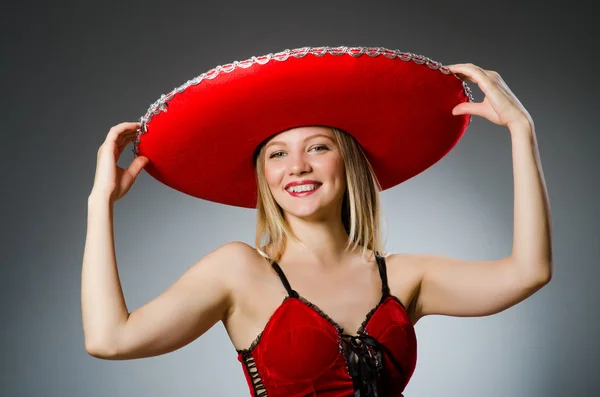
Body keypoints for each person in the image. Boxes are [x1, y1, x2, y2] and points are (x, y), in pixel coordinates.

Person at [81, 47, 552, 397]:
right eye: (277, 154)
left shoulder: (405, 277)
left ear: (347, 164)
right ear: (264, 176)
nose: (297, 166)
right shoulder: (238, 271)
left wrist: (520, 131)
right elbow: (110, 339)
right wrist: (100, 203)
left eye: (318, 147)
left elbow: (528, 272)